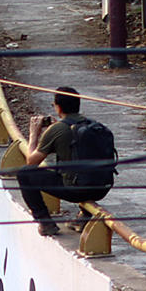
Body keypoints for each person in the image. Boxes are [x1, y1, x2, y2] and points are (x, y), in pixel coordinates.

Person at [16, 87, 114, 236]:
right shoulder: (92, 125)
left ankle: (45, 223)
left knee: (25, 173)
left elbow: (32, 161)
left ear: (58, 107)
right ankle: (83, 217)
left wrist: (34, 134)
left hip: (75, 190)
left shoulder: (58, 129)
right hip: (102, 187)